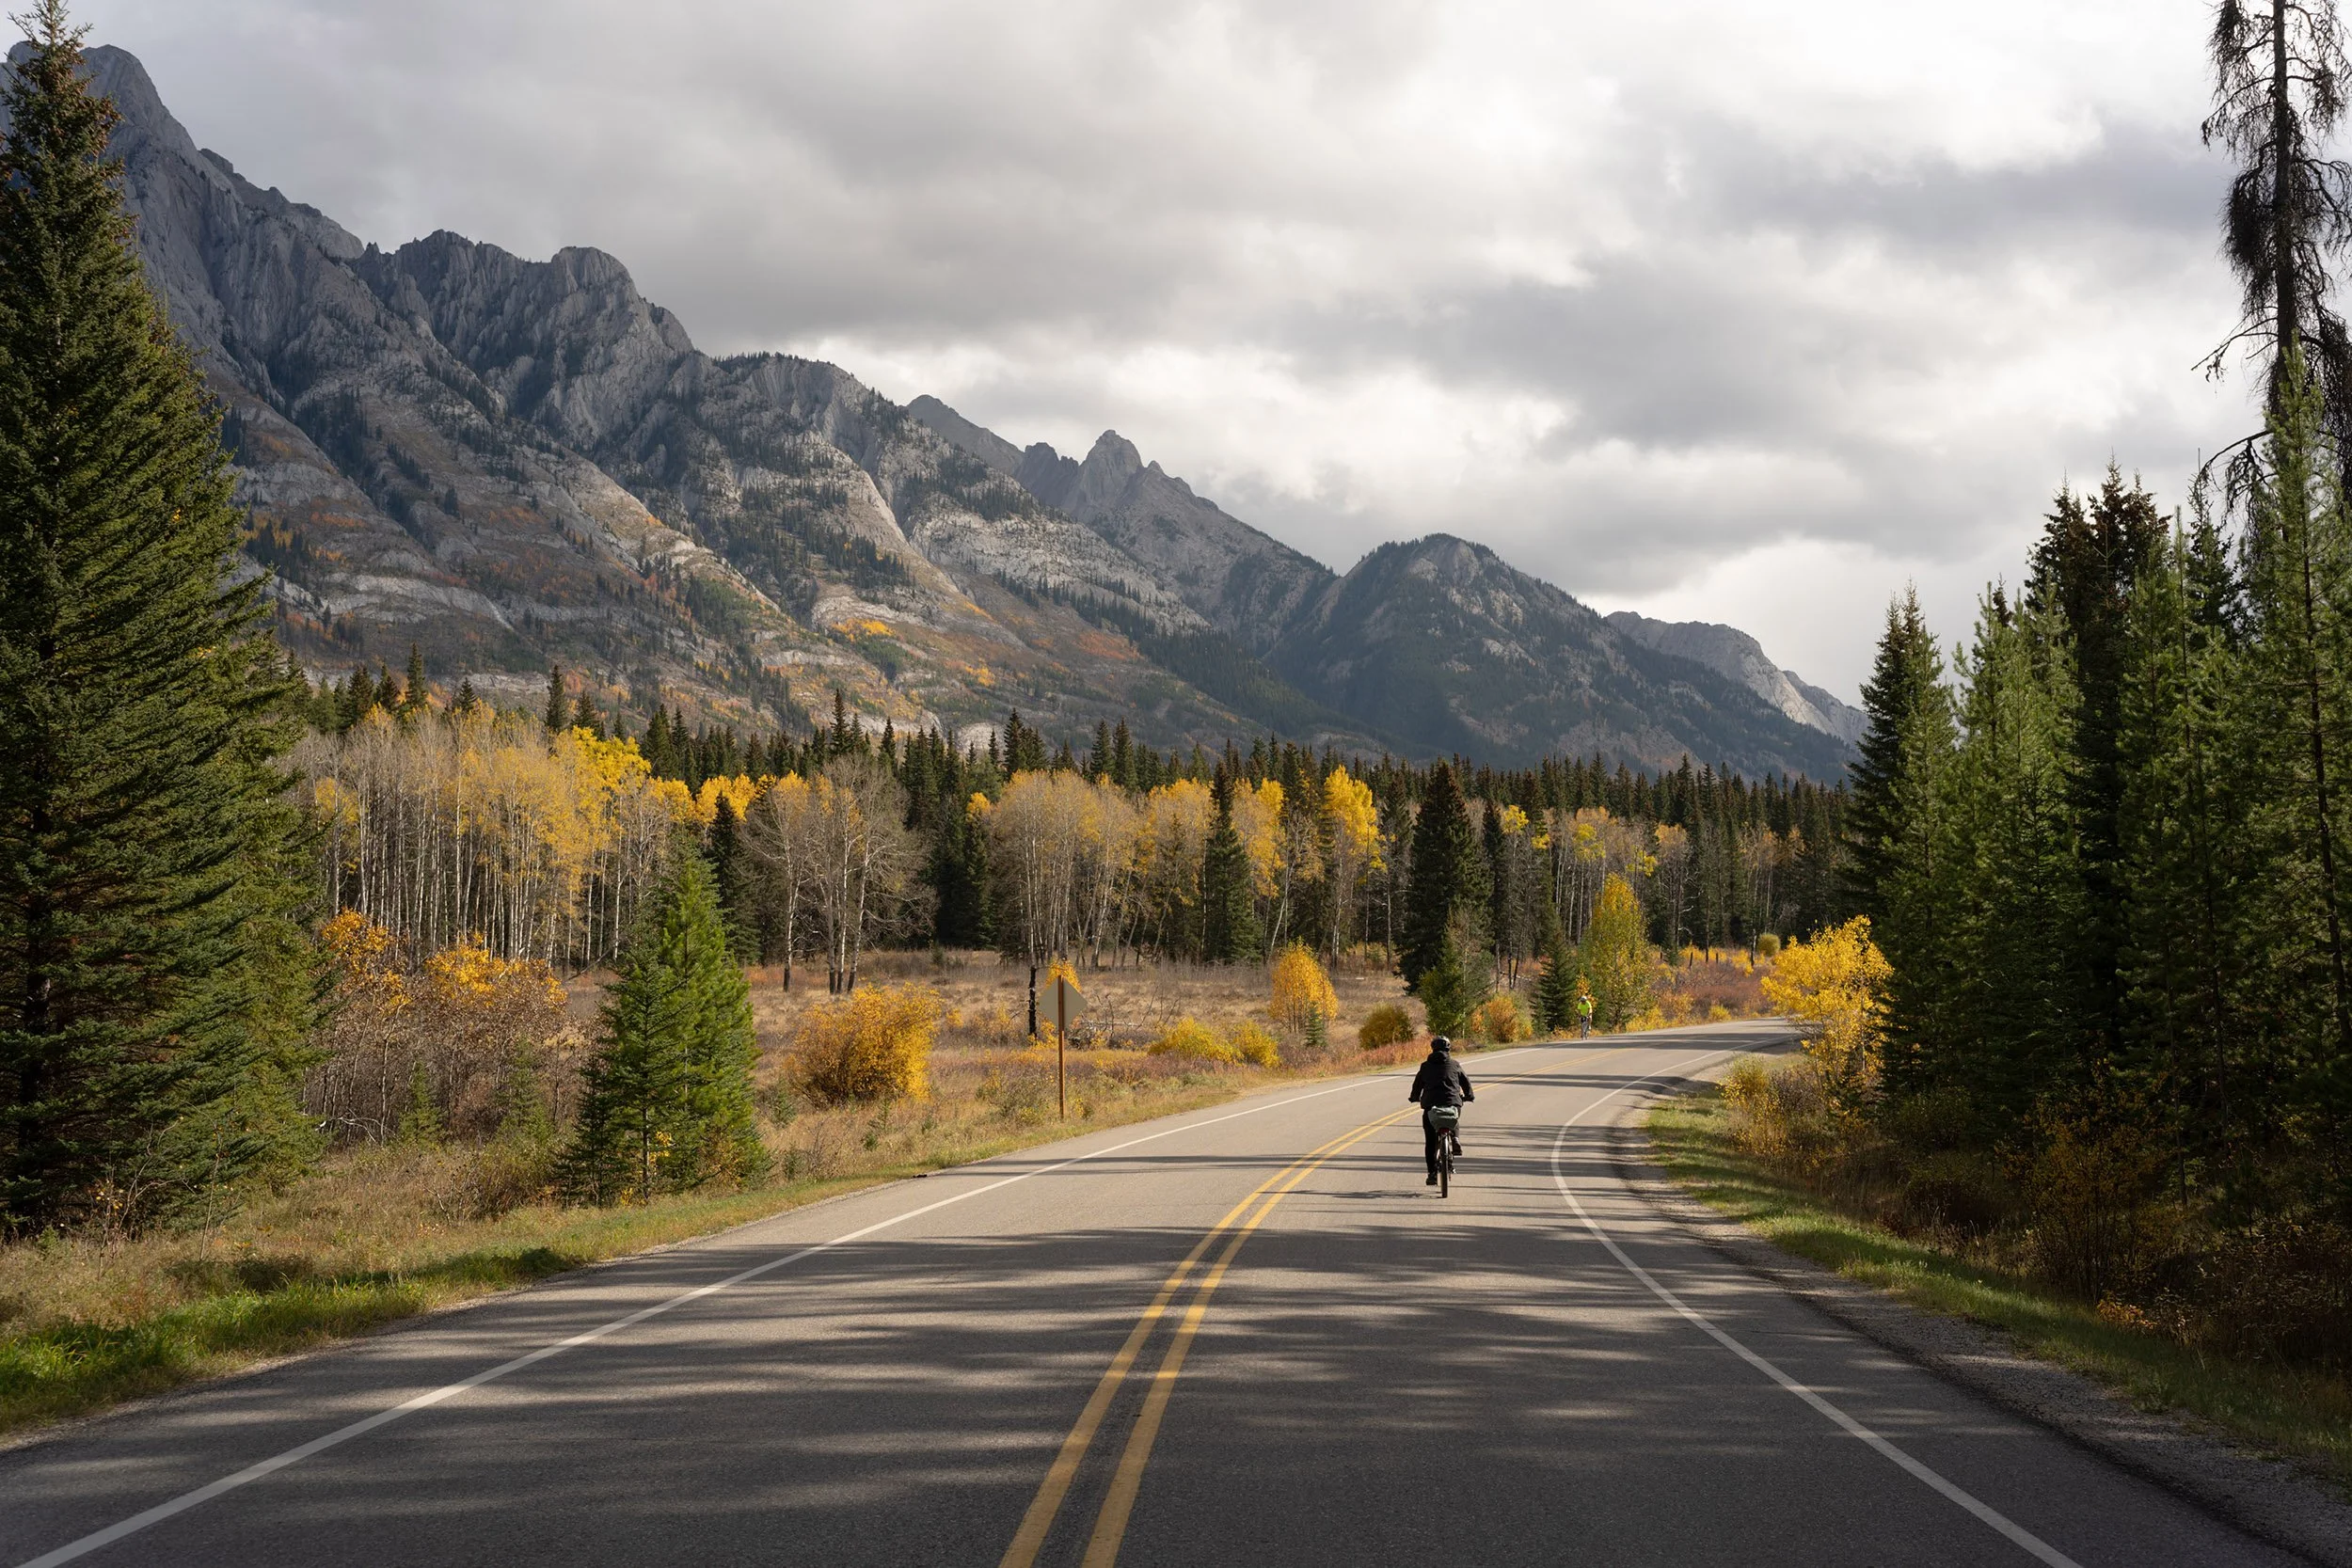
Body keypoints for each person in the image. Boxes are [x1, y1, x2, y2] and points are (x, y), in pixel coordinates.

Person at [1407, 1035, 1473, 1186]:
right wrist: (1469, 1096)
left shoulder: (1425, 1066)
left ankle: (1431, 1174)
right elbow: (1466, 1082)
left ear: (1433, 1049)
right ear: (1448, 1048)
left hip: (1431, 1105)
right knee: (1453, 1115)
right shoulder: (1455, 1064)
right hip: (1453, 1101)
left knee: (1430, 1142)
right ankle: (1455, 1138)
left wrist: (1414, 1097)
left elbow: (1417, 1085)